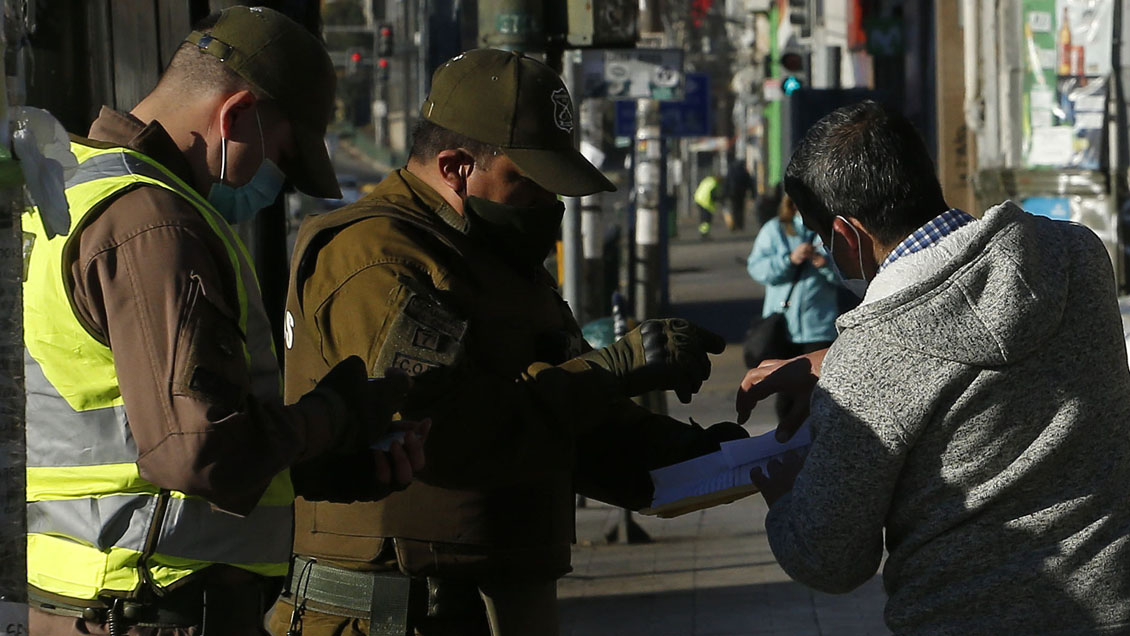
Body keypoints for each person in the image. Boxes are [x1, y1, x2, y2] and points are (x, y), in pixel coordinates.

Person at [267, 48, 747, 636]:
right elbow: (441, 435)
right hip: (399, 612)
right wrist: (612, 369)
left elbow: (557, 424)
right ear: (456, 167)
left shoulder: (492, 261)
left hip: (487, 599)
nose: (552, 206)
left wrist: (699, 459)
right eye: (532, 184)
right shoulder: (380, 259)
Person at [23, 8, 426, 635]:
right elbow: (196, 450)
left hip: (97, 597)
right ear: (234, 116)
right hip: (155, 601)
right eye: (282, 156)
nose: (272, 185)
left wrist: (320, 469)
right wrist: (338, 417)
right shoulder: (152, 222)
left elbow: (135, 433)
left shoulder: (73, 188)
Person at [736, 100, 1130, 635]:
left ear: (847, 237)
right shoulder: (1075, 254)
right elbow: (985, 343)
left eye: (822, 236)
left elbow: (830, 561)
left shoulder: (873, 357)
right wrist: (830, 363)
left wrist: (786, 501)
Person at [745, 194, 838, 422]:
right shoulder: (775, 230)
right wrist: (789, 260)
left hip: (818, 327)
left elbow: (852, 277)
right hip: (782, 327)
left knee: (819, 392)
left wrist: (825, 265)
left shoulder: (831, 230)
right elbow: (757, 268)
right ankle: (785, 440)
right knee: (785, 393)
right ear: (791, 202)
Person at [722, 156, 754, 231]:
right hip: (742, 193)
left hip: (732, 194)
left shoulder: (731, 171)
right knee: (741, 209)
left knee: (734, 209)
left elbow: (726, 183)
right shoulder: (744, 171)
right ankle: (740, 224)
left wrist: (724, 194)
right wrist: (753, 194)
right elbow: (750, 183)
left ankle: (734, 225)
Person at [693, 173, 721, 238]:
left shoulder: (708, 180)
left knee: (703, 218)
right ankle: (704, 233)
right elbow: (712, 194)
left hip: (699, 199)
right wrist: (717, 199)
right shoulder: (714, 183)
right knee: (706, 218)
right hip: (705, 202)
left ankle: (703, 232)